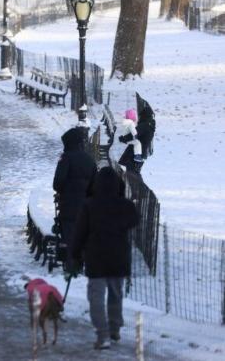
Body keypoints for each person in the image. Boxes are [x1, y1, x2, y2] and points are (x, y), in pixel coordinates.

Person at [71, 166, 139, 350]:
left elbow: (79, 233)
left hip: (96, 258)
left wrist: (75, 255)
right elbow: (134, 220)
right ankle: (115, 328)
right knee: (116, 295)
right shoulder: (126, 206)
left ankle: (103, 335)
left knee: (96, 297)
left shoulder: (89, 205)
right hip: (118, 257)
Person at [52, 127, 96, 263]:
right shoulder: (90, 160)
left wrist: (64, 191)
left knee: (70, 236)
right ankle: (83, 263)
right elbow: (95, 185)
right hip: (86, 207)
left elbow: (57, 182)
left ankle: (72, 267)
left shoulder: (66, 158)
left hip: (69, 206)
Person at [118, 106, 155, 175]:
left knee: (126, 173)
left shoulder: (144, 125)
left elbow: (134, 134)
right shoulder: (150, 126)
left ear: (144, 115)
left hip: (133, 154)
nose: (139, 117)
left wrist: (123, 138)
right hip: (141, 154)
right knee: (133, 174)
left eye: (140, 115)